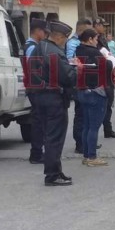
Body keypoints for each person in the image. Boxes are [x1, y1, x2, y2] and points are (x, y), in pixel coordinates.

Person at [27, 21, 78, 186]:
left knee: (49, 136)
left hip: (40, 96)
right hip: (54, 98)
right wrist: (77, 69)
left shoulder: (39, 48)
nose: (65, 41)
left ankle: (55, 171)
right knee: (54, 138)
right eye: (64, 38)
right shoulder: (54, 52)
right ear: (58, 36)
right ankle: (52, 174)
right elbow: (68, 77)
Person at [76, 28, 113, 166]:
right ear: (90, 39)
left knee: (86, 125)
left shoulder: (78, 50)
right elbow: (107, 66)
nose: (97, 41)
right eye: (96, 39)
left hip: (83, 90)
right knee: (94, 126)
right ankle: (92, 157)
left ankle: (86, 155)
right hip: (96, 91)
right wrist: (108, 59)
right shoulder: (94, 52)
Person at [23, 18, 49, 164]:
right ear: (38, 31)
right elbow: (35, 70)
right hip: (36, 88)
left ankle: (37, 152)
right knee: (39, 122)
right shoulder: (33, 47)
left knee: (39, 121)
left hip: (33, 87)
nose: (45, 35)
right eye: (44, 32)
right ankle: (36, 154)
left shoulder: (30, 45)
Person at [66, 18, 93, 154]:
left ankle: (86, 141)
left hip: (86, 81)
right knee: (81, 113)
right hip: (78, 82)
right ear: (81, 30)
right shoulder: (73, 44)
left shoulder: (82, 42)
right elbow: (71, 62)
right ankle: (79, 143)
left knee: (87, 113)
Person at [94, 17, 115, 138]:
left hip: (108, 73)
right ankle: (96, 132)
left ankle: (108, 129)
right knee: (101, 105)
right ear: (96, 25)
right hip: (100, 75)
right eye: (102, 26)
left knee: (109, 104)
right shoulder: (94, 39)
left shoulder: (102, 38)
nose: (104, 28)